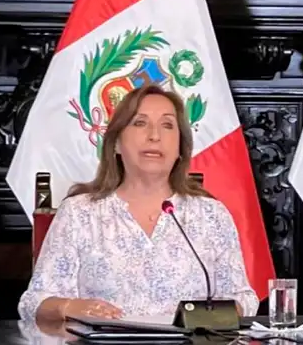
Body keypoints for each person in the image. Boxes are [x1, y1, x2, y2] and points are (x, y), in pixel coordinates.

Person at [18, 84, 259, 322]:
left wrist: (210, 317)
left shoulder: (210, 214)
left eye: (167, 125)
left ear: (181, 149)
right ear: (116, 144)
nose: (154, 136)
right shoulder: (80, 213)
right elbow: (34, 303)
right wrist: (71, 307)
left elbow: (244, 299)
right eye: (139, 123)